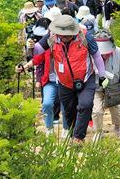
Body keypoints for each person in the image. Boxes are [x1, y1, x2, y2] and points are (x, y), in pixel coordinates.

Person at [22, 15, 105, 143]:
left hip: (85, 78)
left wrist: (102, 75)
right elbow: (39, 50)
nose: (64, 38)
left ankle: (78, 138)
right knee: (69, 111)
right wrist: (31, 47)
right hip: (64, 82)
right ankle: (73, 134)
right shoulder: (52, 37)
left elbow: (97, 56)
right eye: (62, 35)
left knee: (85, 104)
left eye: (67, 35)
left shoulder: (85, 36)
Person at [92, 30, 120, 139]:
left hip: (114, 86)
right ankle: (98, 132)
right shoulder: (91, 53)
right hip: (97, 87)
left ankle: (117, 128)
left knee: (116, 108)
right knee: (97, 110)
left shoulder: (118, 52)